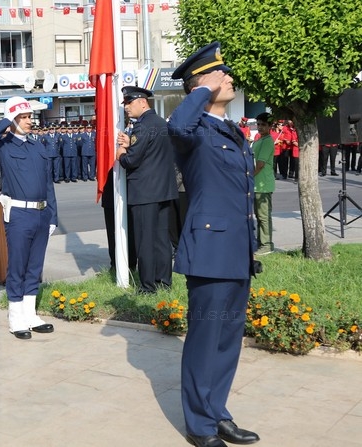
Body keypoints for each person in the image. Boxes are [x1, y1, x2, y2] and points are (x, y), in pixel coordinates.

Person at [168, 42, 260, 447]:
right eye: (220, 74)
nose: (229, 79)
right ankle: (200, 426)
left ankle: (218, 412)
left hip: (237, 251)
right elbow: (177, 126)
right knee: (206, 340)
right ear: (199, 85)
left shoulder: (231, 130)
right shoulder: (194, 130)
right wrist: (201, 90)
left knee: (227, 341)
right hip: (209, 252)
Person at [0, 96, 58, 340]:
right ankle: (15, 317)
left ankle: (30, 314)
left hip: (41, 213)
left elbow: (48, 183)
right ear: (12, 119)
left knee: (35, 267)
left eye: (29, 116)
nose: (28, 121)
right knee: (18, 266)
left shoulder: (37, 146)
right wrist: (6, 119)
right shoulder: (3, 147)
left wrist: (53, 215)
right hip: (19, 214)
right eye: (22, 117)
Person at [116, 86, 178, 294]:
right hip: (163, 190)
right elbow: (152, 153)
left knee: (145, 240)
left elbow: (132, 160)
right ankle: (164, 282)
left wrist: (122, 153)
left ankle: (147, 286)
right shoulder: (160, 123)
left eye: (129, 103)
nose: (126, 108)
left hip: (145, 192)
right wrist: (131, 144)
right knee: (161, 239)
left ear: (143, 102)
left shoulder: (142, 126)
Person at [253, 112, 275, 255]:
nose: (260, 127)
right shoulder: (258, 140)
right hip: (256, 184)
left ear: (270, 126)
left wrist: (248, 177)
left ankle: (266, 245)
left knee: (263, 216)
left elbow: (260, 164)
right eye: (258, 124)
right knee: (259, 215)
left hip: (263, 184)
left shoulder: (267, 141)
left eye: (263, 125)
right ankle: (261, 243)